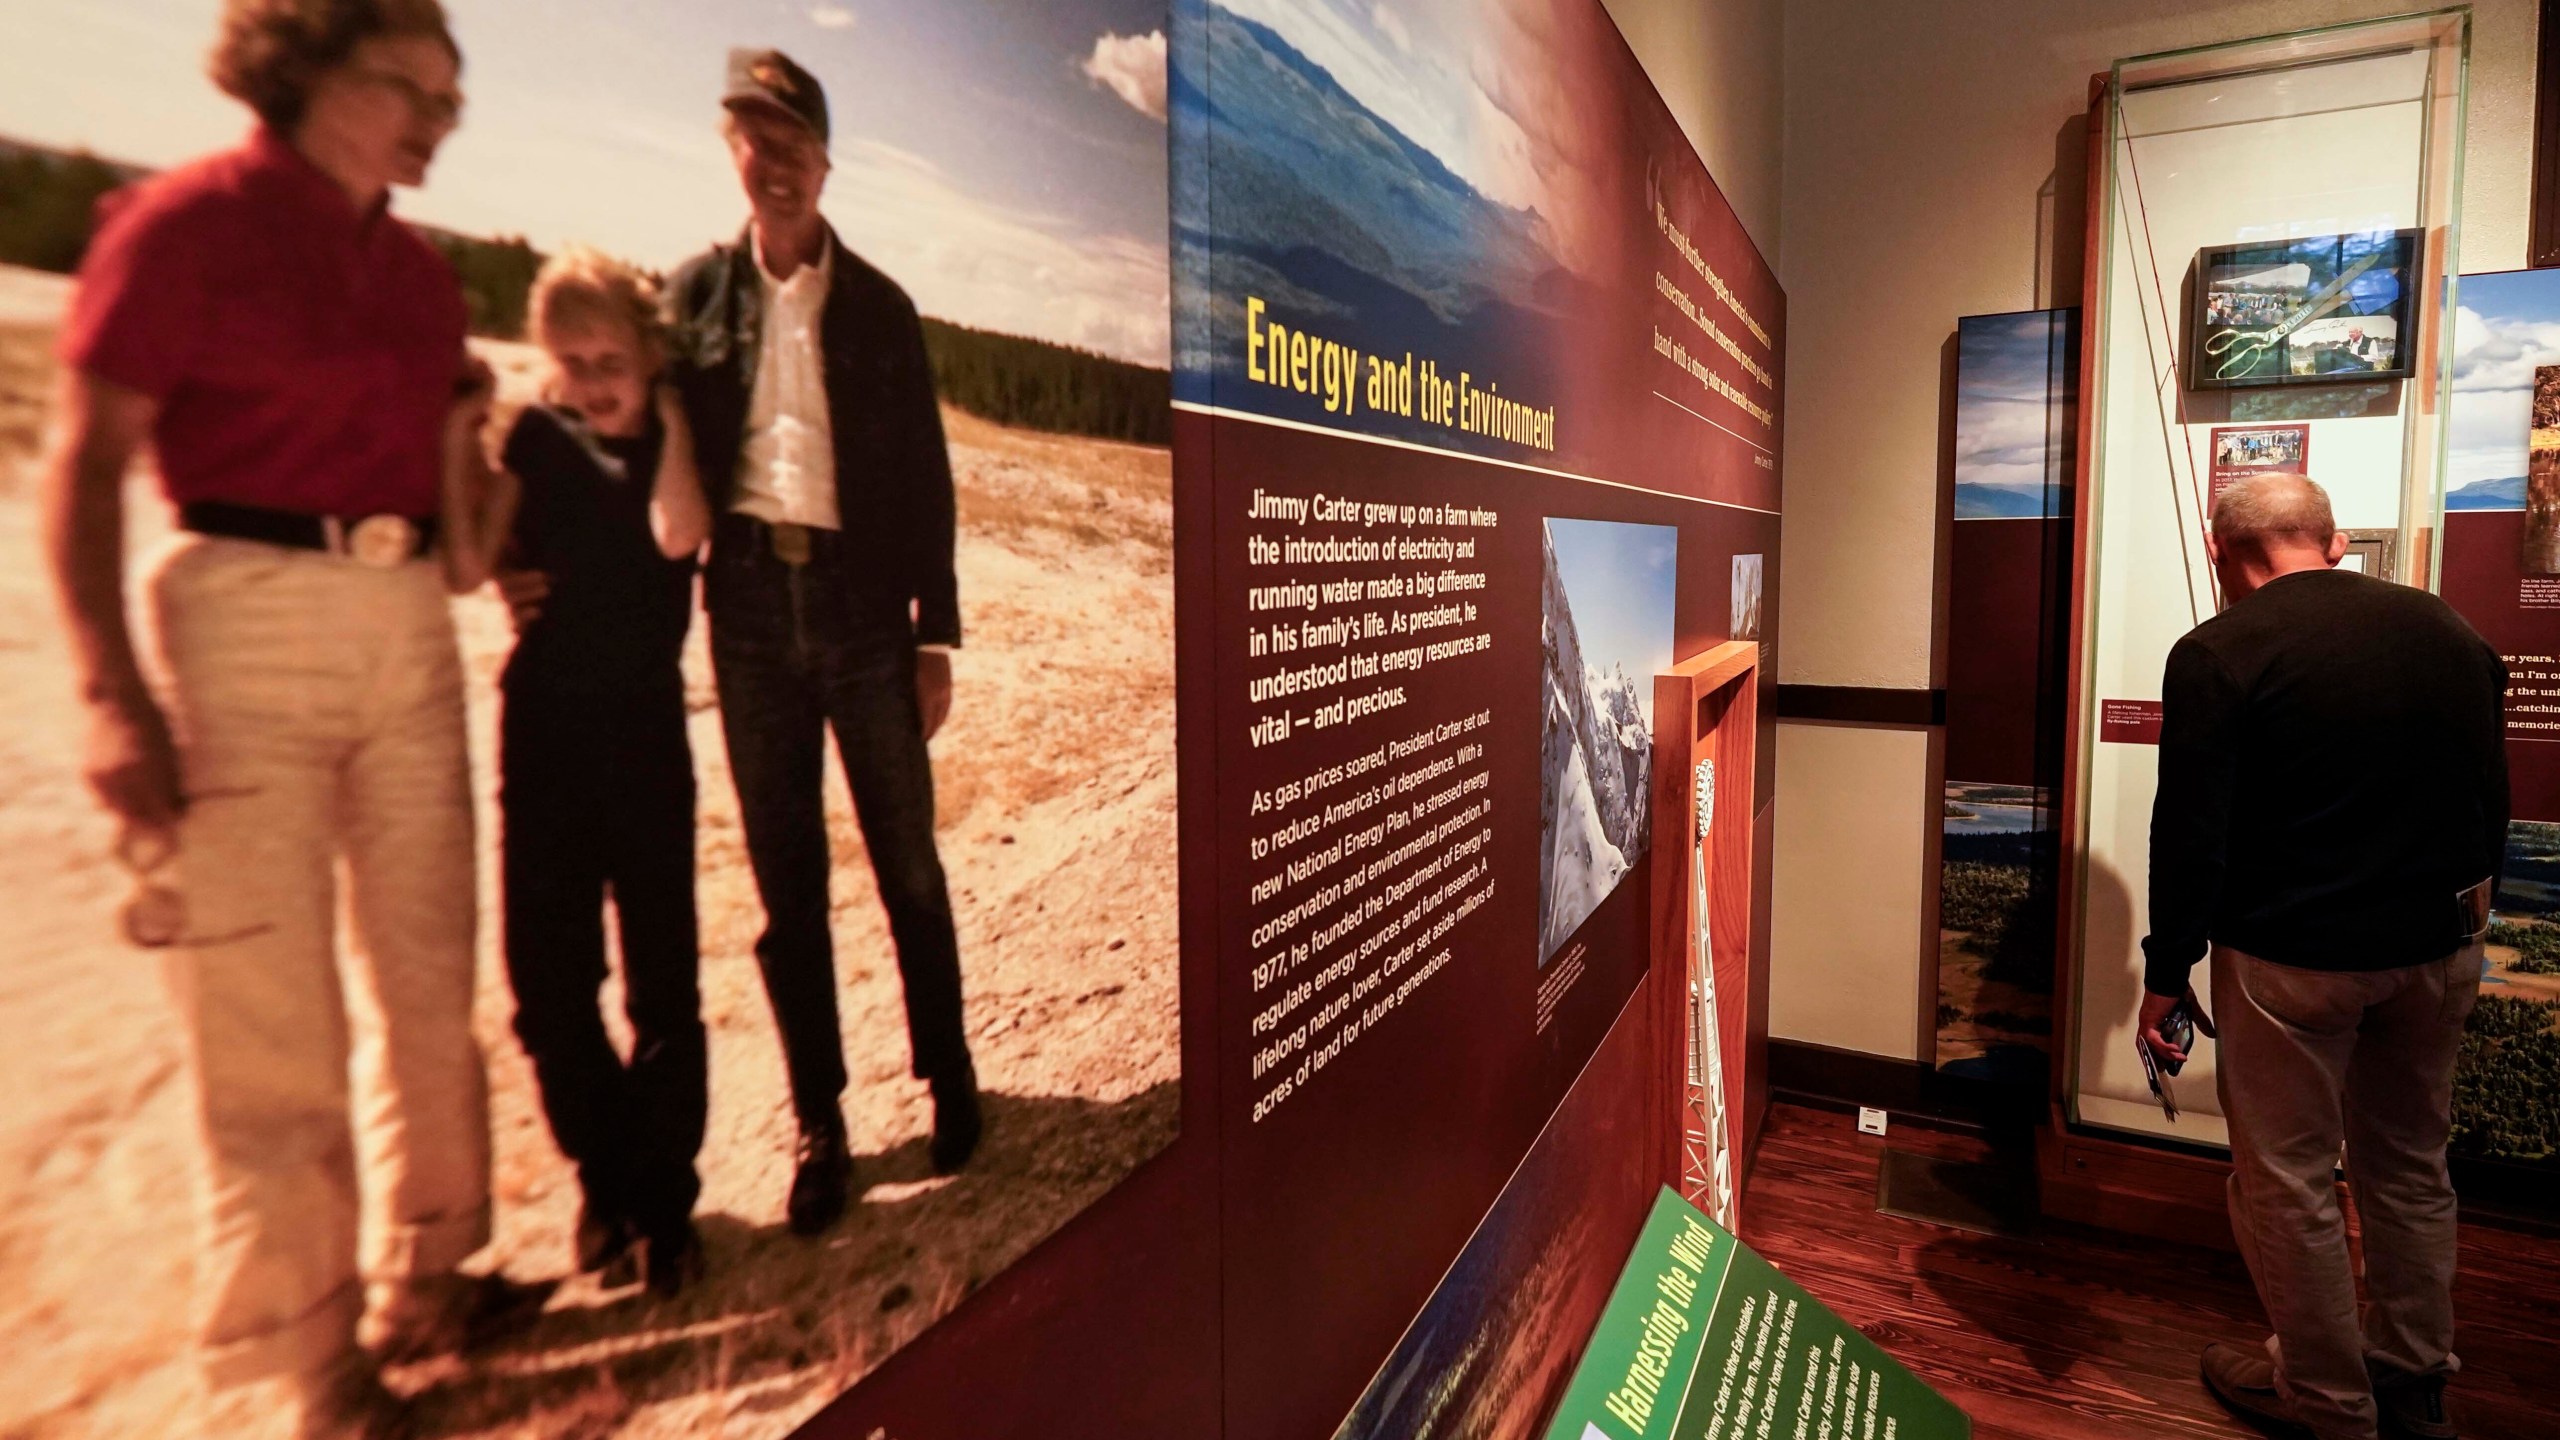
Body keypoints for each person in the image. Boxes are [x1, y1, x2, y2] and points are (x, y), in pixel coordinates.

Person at [37, 1, 517, 1434]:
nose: (436, 119)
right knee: (270, 1013)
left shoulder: (425, 278)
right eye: (404, 87)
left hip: (405, 621)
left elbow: (454, 503)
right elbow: (84, 469)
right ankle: (319, 1365)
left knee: (429, 974)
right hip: (238, 619)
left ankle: (431, 1271)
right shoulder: (181, 227)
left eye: (455, 95)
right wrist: (112, 699)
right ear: (298, 70)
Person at [662, 47, 980, 1236]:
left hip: (860, 617)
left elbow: (927, 484)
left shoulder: (884, 310)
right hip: (745, 617)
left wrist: (932, 638)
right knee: (785, 888)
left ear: (826, 163)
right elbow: (646, 439)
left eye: (792, 143)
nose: (773, 163)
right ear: (730, 152)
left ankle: (948, 1072)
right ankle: (819, 1122)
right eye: (752, 139)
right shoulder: (690, 296)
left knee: (907, 866)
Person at [2139, 474, 2507, 1440]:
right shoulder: (2452, 634)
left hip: (2291, 961)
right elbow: (2491, 805)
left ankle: (2328, 1406)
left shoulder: (2219, 652)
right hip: (2437, 949)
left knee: (2289, 1179)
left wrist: (2166, 975)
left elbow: (2190, 835)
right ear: (2333, 542)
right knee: (2410, 1167)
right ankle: (2412, 1383)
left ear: (2224, 555)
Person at [448, 249, 713, 1297]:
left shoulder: (674, 445)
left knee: (664, 983)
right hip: (543, 734)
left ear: (650, 352)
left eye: (613, 358)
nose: (593, 380)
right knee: (547, 986)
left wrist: (674, 416)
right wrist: (457, 433)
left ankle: (664, 1211)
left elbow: (678, 531)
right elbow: (471, 564)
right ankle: (610, 1180)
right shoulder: (536, 437)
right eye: (571, 360)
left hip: (647, 733)